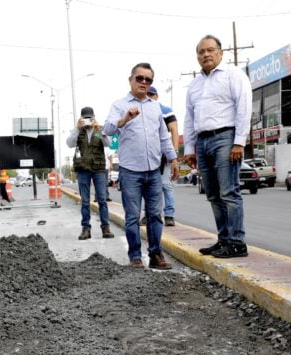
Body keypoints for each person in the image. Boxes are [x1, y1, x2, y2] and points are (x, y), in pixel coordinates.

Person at [103, 63, 179, 269]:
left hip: (154, 170)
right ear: (131, 80)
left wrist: (173, 159)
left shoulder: (155, 107)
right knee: (132, 216)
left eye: (148, 80)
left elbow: (164, 137)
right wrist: (125, 119)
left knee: (155, 215)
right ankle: (135, 256)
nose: (144, 83)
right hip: (130, 171)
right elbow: (107, 129)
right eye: (140, 78)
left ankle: (156, 255)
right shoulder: (119, 105)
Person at [183, 34, 252, 258]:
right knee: (213, 194)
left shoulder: (233, 75)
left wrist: (239, 142)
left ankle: (237, 242)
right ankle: (223, 240)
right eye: (201, 52)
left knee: (229, 192)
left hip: (226, 137)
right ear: (197, 57)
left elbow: (244, 108)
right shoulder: (194, 84)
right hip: (202, 142)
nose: (206, 55)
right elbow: (189, 118)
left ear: (221, 53)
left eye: (210, 50)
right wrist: (190, 149)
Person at [66, 106, 114, 240]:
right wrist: (77, 128)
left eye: (90, 117)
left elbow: (108, 143)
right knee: (85, 201)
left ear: (94, 117)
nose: (87, 120)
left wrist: (100, 129)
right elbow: (69, 144)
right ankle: (86, 229)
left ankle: (105, 228)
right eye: (85, 118)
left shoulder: (99, 130)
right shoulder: (78, 131)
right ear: (81, 118)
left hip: (99, 169)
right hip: (83, 170)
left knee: (102, 200)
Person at [139, 86, 179, 227]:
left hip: (164, 155)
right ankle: (148, 214)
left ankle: (169, 215)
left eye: (152, 94)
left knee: (166, 185)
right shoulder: (140, 109)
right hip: (147, 155)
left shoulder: (165, 111)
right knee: (147, 186)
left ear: (157, 96)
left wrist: (173, 154)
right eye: (147, 93)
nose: (149, 96)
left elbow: (174, 130)